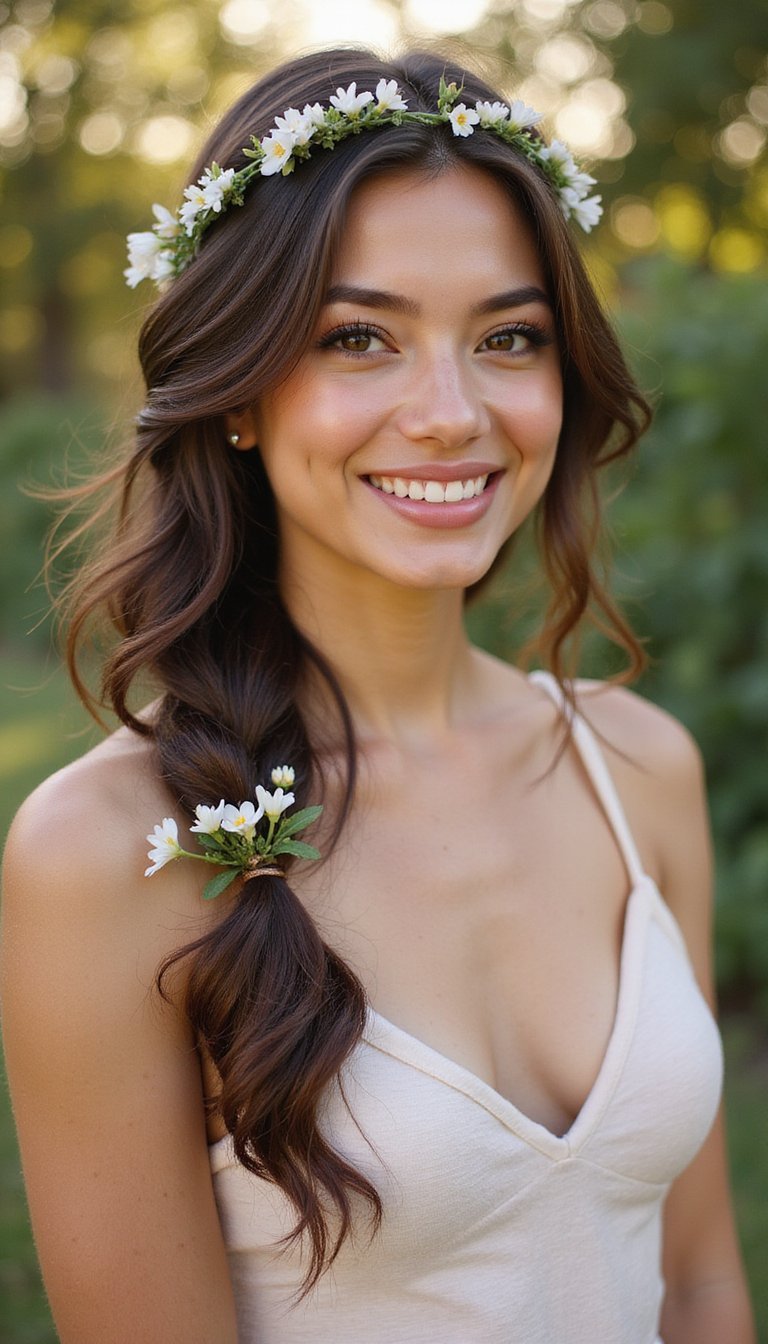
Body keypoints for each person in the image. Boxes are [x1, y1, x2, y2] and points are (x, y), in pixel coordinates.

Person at [0, 45, 755, 1344]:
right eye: (360, 338)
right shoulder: (103, 857)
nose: (452, 412)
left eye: (508, 338)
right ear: (238, 391)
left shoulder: (640, 770)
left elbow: (694, 1283)